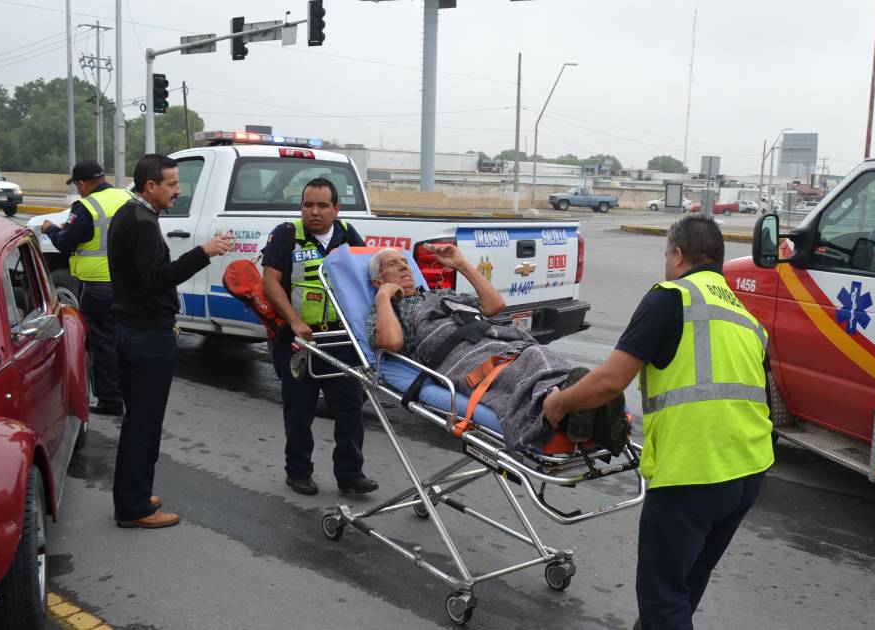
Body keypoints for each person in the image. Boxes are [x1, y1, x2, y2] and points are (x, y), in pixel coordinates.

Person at [543, 214, 774, 630]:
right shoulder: (745, 316)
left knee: (663, 597)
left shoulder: (670, 298)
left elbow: (609, 382)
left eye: (666, 255)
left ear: (678, 254)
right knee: (682, 588)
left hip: (694, 472)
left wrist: (559, 403)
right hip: (749, 472)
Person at [366, 246, 626, 452]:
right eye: (392, 264)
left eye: (404, 262)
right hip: (463, 358)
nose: (404, 267)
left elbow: (494, 305)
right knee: (523, 369)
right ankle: (578, 409)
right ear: (378, 280)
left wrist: (461, 264)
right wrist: (384, 296)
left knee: (537, 354)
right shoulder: (386, 311)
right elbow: (391, 343)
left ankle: (577, 404)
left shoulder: (443, 295)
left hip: (499, 341)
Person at [107, 154, 234, 529]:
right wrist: (203, 252)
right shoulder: (141, 222)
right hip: (146, 335)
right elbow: (158, 278)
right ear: (151, 186)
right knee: (143, 424)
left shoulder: (133, 214)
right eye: (173, 184)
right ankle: (134, 508)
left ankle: (135, 494)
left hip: (134, 330)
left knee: (139, 421)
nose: (179, 191)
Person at [262, 177, 378, 496]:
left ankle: (350, 475)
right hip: (299, 341)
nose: (314, 212)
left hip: (341, 340)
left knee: (350, 409)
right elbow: (270, 282)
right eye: (308, 205)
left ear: (336, 208)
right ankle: (298, 471)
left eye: (322, 205)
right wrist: (295, 321)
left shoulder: (347, 235)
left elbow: (365, 277)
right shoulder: (286, 235)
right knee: (299, 411)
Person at [41, 160, 132, 416]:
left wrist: (50, 229)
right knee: (123, 340)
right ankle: (129, 392)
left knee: (102, 343)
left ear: (82, 184)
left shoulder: (86, 207)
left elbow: (65, 243)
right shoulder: (126, 197)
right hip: (128, 285)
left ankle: (110, 401)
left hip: (98, 287)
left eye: (77, 185)